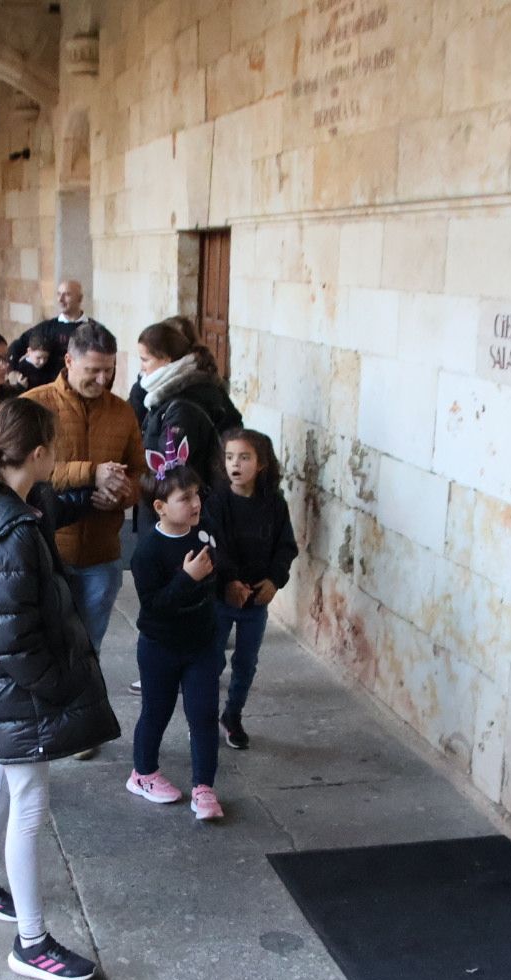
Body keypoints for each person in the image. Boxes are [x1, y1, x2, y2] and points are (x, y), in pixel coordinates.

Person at [0, 397, 118, 980]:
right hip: (17, 691)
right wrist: (53, 687)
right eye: (56, 448)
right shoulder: (10, 527)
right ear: (38, 454)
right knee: (30, 806)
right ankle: (32, 943)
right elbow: (11, 633)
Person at [21, 321, 143, 648]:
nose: (102, 380)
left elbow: (140, 474)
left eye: (109, 370)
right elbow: (19, 472)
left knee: (88, 652)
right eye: (93, 370)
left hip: (102, 557)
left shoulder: (122, 412)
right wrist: (91, 473)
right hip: (47, 554)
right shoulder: (34, 404)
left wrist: (121, 495)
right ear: (69, 362)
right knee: (46, 649)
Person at [127, 458, 224, 821]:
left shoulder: (204, 531)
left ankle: (204, 787)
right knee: (157, 711)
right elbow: (154, 607)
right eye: (185, 497)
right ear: (160, 507)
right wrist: (187, 578)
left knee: (203, 714)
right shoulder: (147, 553)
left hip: (201, 645)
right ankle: (143, 773)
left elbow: (221, 565)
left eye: (197, 494)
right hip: (160, 647)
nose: (196, 503)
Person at [203, 429, 297, 750]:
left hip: (256, 600)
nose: (236, 464)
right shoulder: (215, 503)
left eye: (244, 457)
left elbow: (286, 547)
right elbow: (215, 546)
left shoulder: (274, 504)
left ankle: (233, 715)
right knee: (211, 659)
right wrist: (228, 582)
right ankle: (202, 717)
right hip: (222, 597)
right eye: (230, 457)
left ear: (261, 464)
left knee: (246, 661)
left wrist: (274, 580)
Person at [136, 321, 243, 493]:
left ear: (166, 359)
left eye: (145, 359)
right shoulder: (171, 395)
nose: (141, 367)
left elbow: (170, 471)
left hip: (179, 507)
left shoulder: (182, 406)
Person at [8, 279, 89, 389]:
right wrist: (12, 371)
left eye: (67, 295)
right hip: (46, 392)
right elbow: (18, 345)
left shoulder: (92, 330)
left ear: (80, 299)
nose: (60, 299)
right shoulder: (46, 327)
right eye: (59, 294)